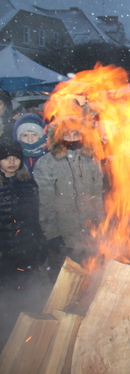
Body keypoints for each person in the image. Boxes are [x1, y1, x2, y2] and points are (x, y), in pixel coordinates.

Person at [33, 116, 104, 282]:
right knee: (65, 284)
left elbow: (97, 196)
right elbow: (46, 203)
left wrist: (99, 224)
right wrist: (52, 235)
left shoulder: (91, 160)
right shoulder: (47, 164)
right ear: (58, 138)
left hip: (89, 235)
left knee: (91, 281)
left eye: (75, 134)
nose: (72, 139)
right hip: (64, 236)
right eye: (67, 135)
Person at [0, 140, 47, 347]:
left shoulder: (28, 183)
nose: (11, 161)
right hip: (4, 257)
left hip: (26, 252)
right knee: (6, 301)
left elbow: (34, 218)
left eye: (16, 157)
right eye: (6, 157)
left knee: (28, 299)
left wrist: (39, 244)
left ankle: (26, 344)